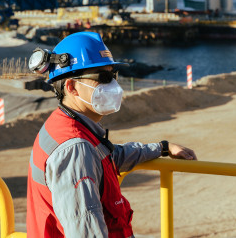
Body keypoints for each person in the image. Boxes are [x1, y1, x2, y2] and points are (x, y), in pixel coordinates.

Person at [26, 31, 197, 237]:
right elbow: (85, 231)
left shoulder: (66, 126)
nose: (114, 85)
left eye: (113, 76)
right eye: (104, 77)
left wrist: (162, 148)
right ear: (72, 87)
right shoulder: (75, 149)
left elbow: (109, 157)